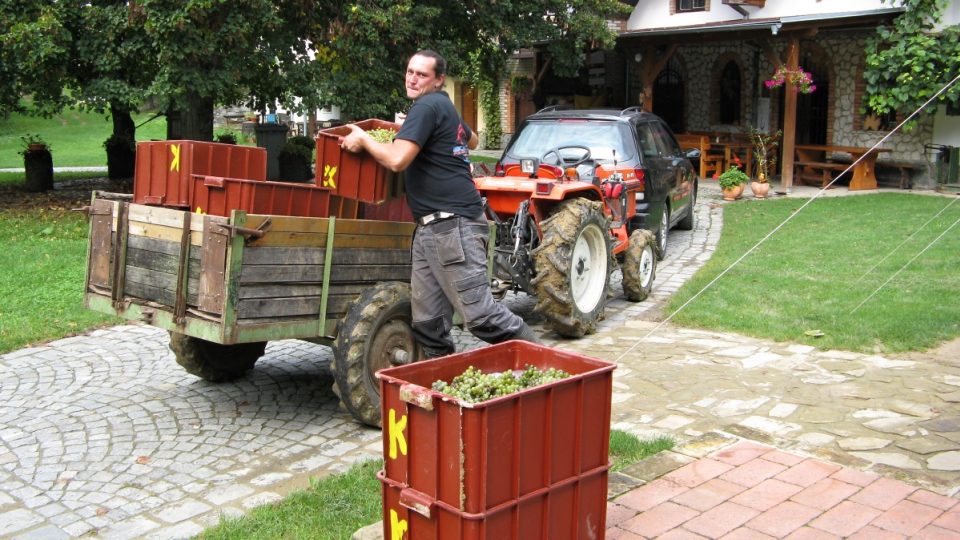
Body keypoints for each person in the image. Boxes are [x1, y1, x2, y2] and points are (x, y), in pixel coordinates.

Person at [339, 49, 539, 358]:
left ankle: (545, 363)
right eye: (410, 71)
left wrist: (364, 140)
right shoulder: (442, 105)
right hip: (430, 229)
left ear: (439, 80)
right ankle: (441, 384)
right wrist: (420, 127)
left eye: (422, 74)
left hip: (453, 225)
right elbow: (471, 141)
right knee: (427, 324)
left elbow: (396, 160)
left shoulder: (428, 107)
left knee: (481, 316)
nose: (413, 78)